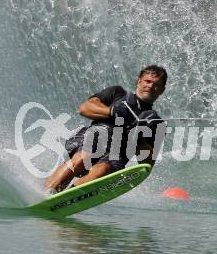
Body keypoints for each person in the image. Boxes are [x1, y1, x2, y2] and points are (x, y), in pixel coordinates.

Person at [44, 65, 167, 193]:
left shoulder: (156, 122)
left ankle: (64, 197)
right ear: (139, 81)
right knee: (83, 156)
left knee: (102, 170)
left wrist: (140, 139)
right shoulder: (117, 93)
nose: (151, 86)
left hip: (119, 152)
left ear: (161, 90)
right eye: (148, 81)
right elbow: (84, 108)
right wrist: (112, 111)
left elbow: (147, 164)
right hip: (97, 134)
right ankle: (47, 192)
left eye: (156, 84)